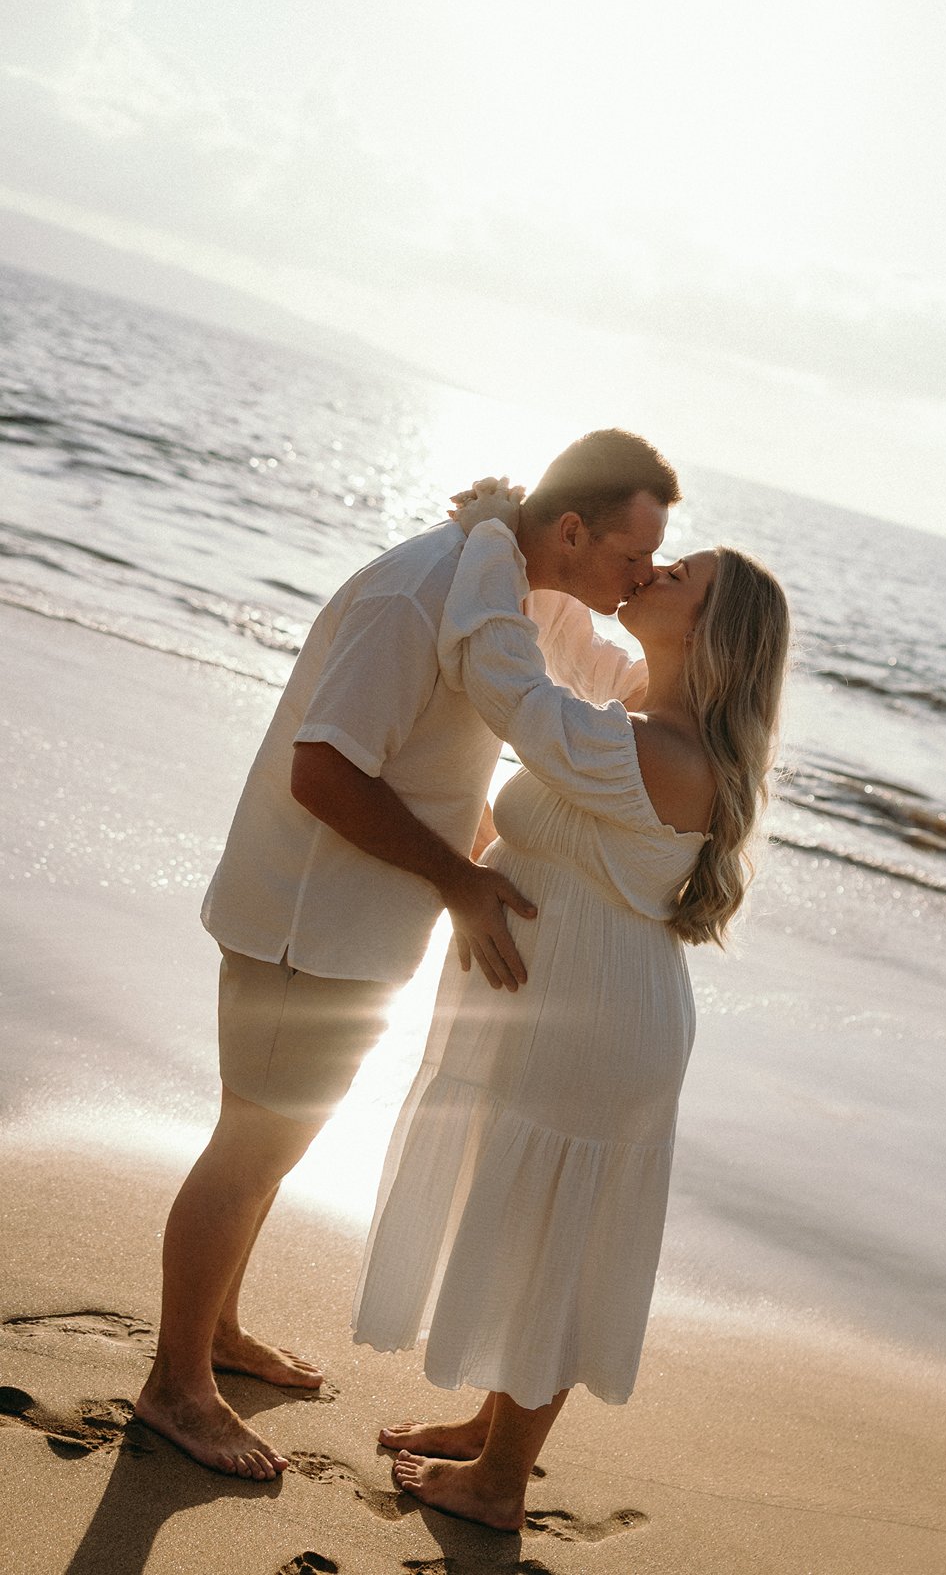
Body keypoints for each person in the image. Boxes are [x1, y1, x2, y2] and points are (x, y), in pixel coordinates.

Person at [134, 430, 682, 1480]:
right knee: (251, 1143)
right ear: (570, 531)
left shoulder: (520, 594)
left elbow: (449, 752)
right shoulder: (420, 592)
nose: (645, 575)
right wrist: (461, 880)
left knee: (277, 1145)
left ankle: (219, 1334)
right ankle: (175, 1388)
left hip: (360, 921)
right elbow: (325, 774)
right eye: (632, 556)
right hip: (307, 912)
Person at [352, 503, 790, 1532]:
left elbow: (509, 683)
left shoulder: (660, 751)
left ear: (711, 632)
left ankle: (502, 1482)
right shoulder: (644, 707)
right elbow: (561, 642)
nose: (655, 570)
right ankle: (489, 1433)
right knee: (531, 1228)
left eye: (679, 574)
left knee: (551, 1240)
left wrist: (499, 542)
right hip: (579, 1018)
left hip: (598, 1028)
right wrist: (535, 551)